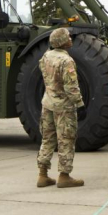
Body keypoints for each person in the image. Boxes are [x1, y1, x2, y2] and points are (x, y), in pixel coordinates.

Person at [36, 27, 84, 189]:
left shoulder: (46, 56)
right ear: (63, 42)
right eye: (68, 37)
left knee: (47, 138)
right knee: (66, 139)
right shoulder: (67, 61)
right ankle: (64, 176)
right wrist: (79, 103)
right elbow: (71, 87)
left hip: (47, 103)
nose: (71, 39)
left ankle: (42, 175)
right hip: (63, 106)